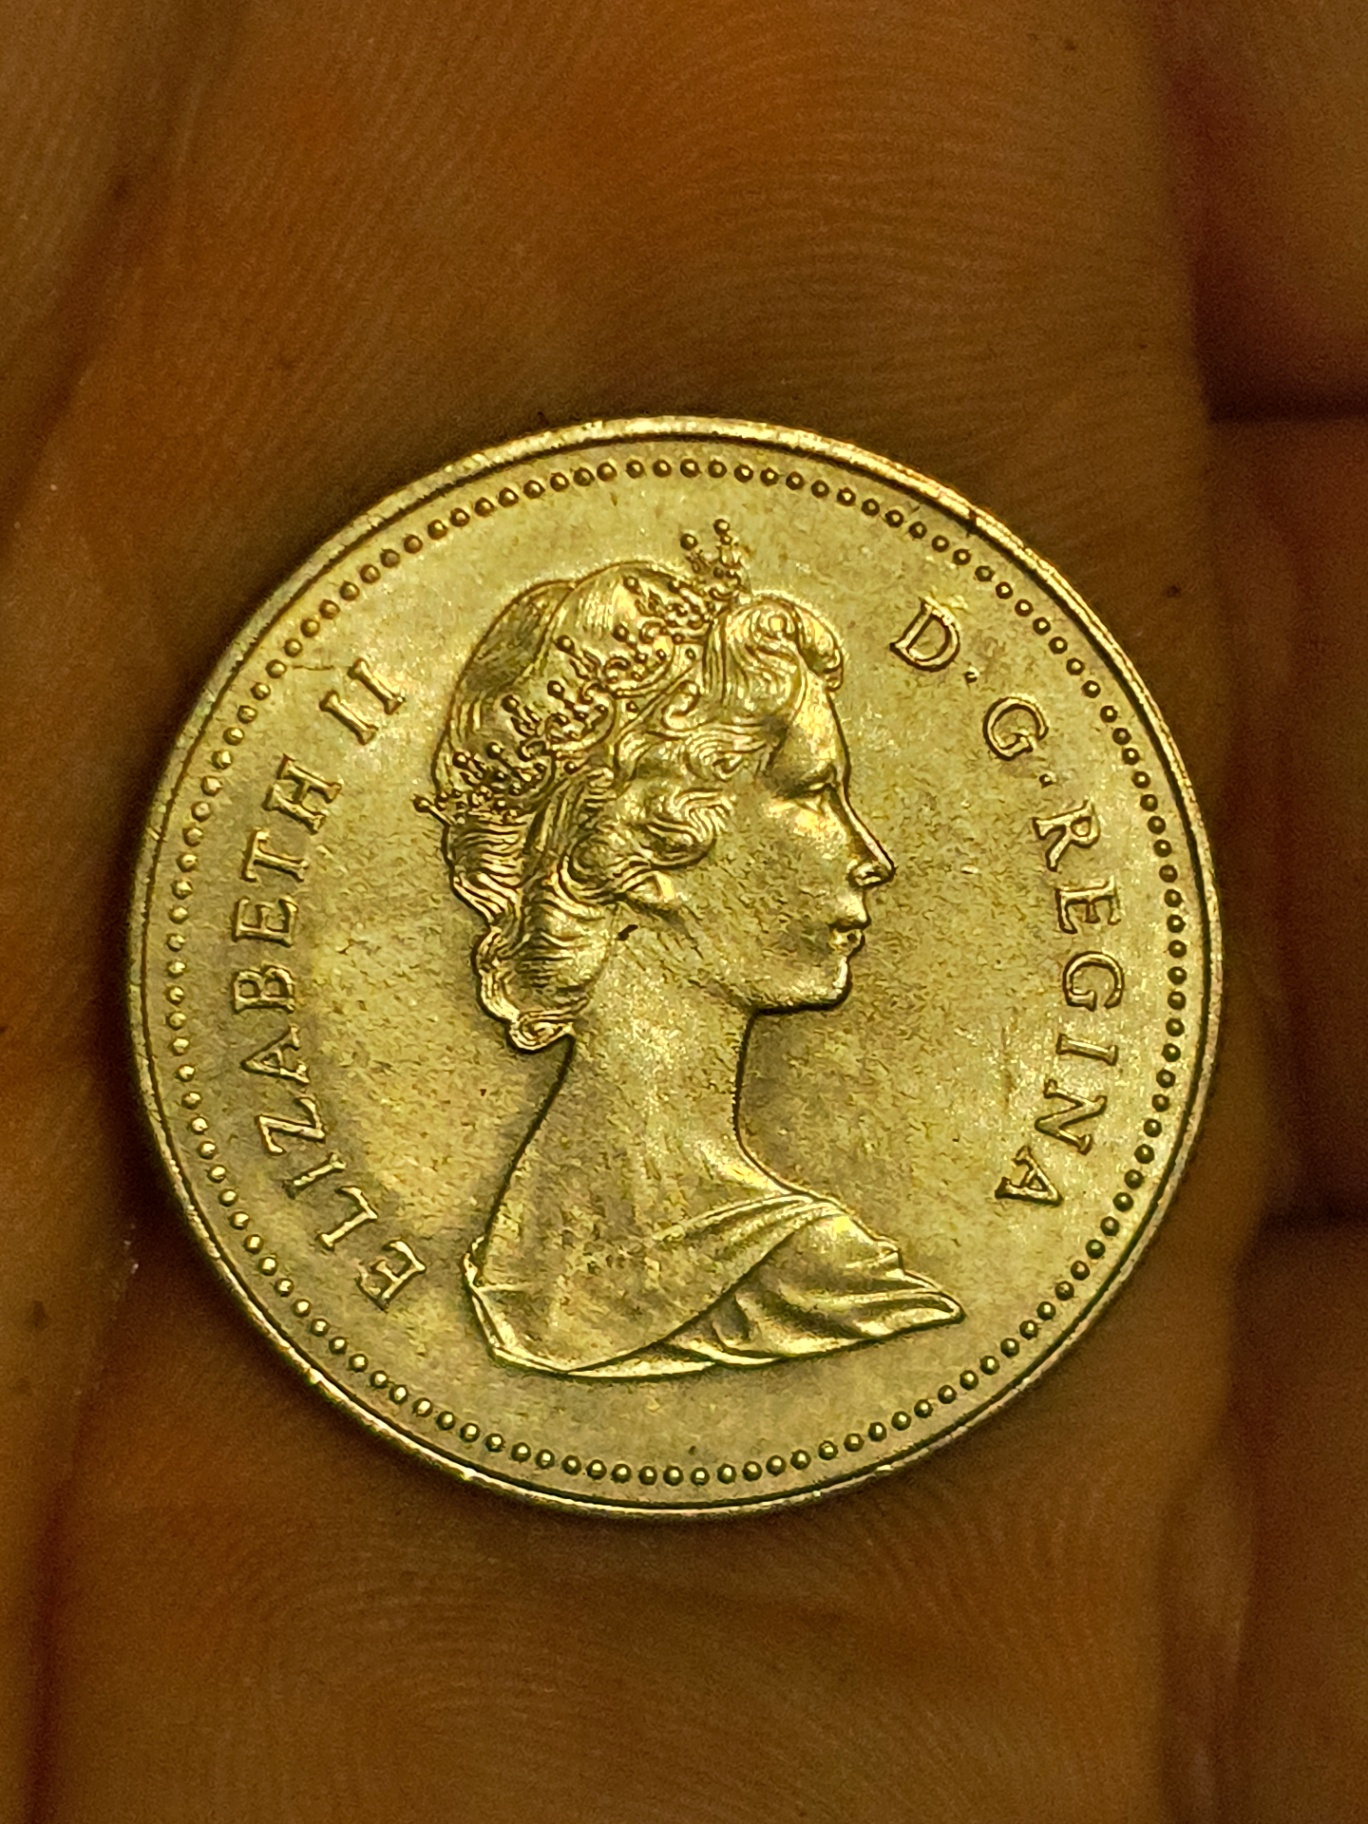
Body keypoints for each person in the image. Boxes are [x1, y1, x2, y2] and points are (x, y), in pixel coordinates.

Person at [425, 521, 962, 1375]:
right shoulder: (820, 1279)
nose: (870, 854)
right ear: (648, 847)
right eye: (814, 793)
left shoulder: (510, 1260)